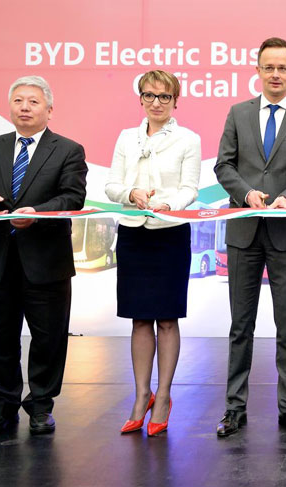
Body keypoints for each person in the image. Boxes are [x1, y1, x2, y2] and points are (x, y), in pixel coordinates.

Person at [0, 76, 88, 435]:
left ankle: (41, 405)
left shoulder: (68, 150)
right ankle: (1, 408)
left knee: (49, 339)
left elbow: (73, 197)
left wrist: (37, 213)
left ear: (49, 109)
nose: (25, 107)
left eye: (33, 101)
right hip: (1, 260)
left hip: (47, 261)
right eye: (18, 100)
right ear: (10, 107)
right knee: (0, 338)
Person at [214, 37, 286, 438]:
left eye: (282, 67)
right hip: (243, 231)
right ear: (257, 70)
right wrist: (246, 194)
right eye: (269, 67)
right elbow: (224, 165)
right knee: (240, 326)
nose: (275, 74)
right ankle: (234, 409)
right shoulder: (238, 113)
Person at [105, 70, 201, 436]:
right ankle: (141, 394)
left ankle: (163, 397)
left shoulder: (188, 139)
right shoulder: (126, 137)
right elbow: (112, 185)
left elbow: (190, 189)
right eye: (149, 95)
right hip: (133, 233)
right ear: (140, 99)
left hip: (170, 233)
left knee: (167, 320)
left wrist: (167, 205)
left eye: (164, 96)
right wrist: (130, 194)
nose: (156, 102)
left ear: (176, 101)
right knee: (140, 319)